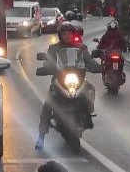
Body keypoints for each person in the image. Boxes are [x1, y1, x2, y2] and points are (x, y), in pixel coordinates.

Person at [35, 21, 101, 149]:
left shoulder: (81, 48)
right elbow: (48, 61)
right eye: (64, 34)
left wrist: (98, 67)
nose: (67, 36)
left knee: (90, 89)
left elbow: (89, 60)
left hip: (78, 79)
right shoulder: (54, 48)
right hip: (59, 80)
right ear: (60, 35)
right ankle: (41, 136)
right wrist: (46, 68)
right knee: (49, 103)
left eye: (69, 34)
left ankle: (87, 114)